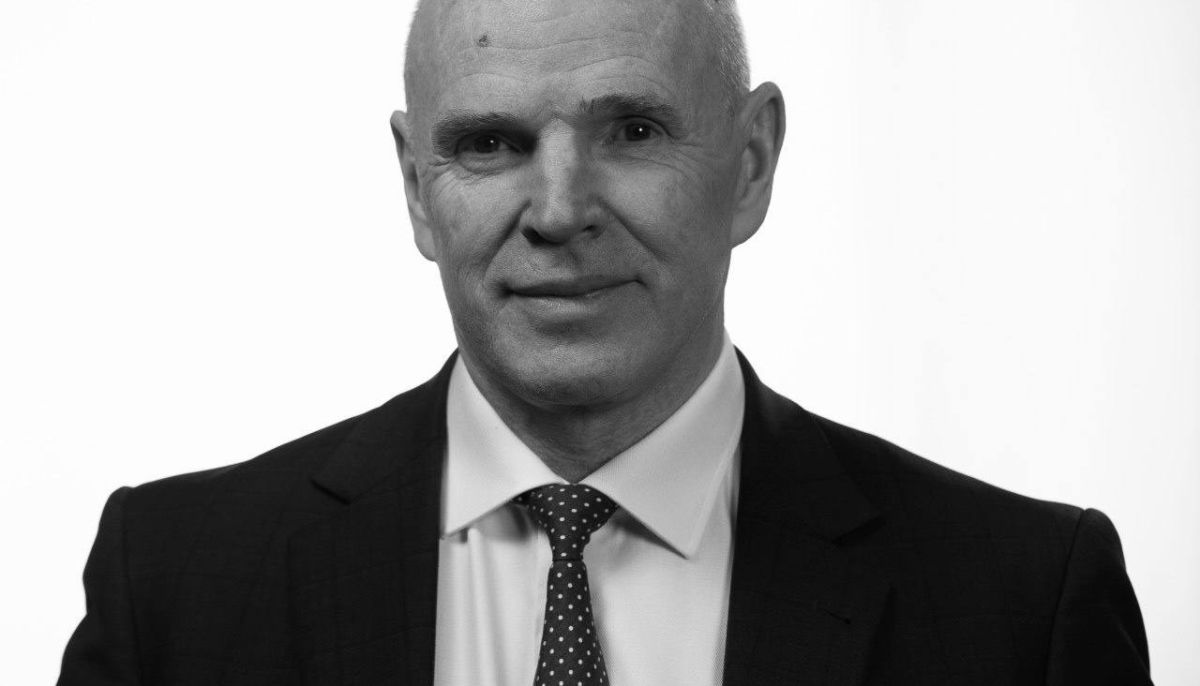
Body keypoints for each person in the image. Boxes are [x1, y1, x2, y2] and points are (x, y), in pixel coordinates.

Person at [58, 0, 1153, 684]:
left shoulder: (1023, 609)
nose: (558, 209)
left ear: (752, 163)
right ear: (417, 189)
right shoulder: (175, 589)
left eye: (632, 130)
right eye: (490, 143)